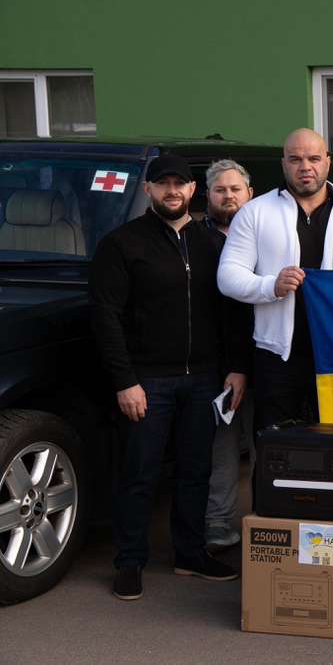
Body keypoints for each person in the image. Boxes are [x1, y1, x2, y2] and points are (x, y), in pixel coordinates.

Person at [90, 154, 247, 600]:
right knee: (139, 473)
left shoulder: (213, 244)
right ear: (148, 189)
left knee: (196, 471)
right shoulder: (121, 244)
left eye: (180, 183)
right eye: (163, 184)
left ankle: (190, 554)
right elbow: (105, 317)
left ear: (193, 190)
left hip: (205, 379)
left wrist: (237, 368)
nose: (172, 191)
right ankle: (129, 561)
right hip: (147, 382)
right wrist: (125, 381)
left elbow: (233, 311)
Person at [218, 128, 333, 431]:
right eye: (295, 159)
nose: (305, 167)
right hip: (277, 356)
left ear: (327, 162)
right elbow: (228, 276)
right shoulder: (255, 212)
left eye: (313, 158)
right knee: (276, 447)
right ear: (284, 163)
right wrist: (270, 286)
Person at [202, 159, 255, 551]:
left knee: (266, 445)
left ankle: (267, 521)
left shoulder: (266, 231)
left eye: (236, 189)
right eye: (220, 190)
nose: (229, 196)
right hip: (217, 364)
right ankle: (217, 523)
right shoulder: (194, 239)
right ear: (207, 195)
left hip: (268, 358)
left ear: (250, 193)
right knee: (222, 447)